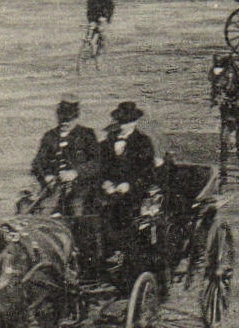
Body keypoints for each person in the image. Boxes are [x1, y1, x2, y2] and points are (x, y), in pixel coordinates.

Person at [99, 101, 157, 271]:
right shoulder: (108, 142)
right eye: (122, 122)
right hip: (110, 192)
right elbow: (101, 167)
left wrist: (129, 185)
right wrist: (105, 183)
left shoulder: (143, 142)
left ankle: (123, 255)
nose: (124, 126)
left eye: (128, 122)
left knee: (123, 213)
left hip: (135, 193)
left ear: (135, 122)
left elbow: (147, 173)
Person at [30, 98, 102, 217]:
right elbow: (39, 162)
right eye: (62, 120)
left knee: (77, 211)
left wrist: (76, 172)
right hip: (55, 187)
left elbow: (96, 162)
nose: (65, 123)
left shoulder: (87, 135)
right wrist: (47, 175)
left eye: (69, 120)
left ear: (76, 118)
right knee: (43, 212)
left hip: (81, 187)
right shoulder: (50, 136)